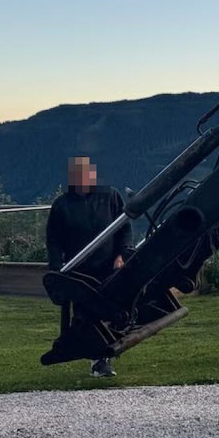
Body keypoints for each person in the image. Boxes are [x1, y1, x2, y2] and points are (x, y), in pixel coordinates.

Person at [46, 156, 132, 378]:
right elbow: (53, 239)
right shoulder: (62, 205)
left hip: (108, 266)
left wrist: (121, 255)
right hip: (79, 270)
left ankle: (104, 355)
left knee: (109, 310)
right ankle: (97, 360)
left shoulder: (110, 196)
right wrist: (57, 269)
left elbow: (124, 228)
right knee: (85, 313)